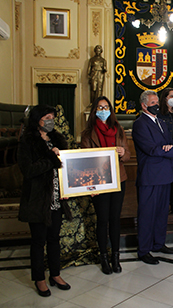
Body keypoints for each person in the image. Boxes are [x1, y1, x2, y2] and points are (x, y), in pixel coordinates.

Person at [18, 105, 72, 297]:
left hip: (57, 198)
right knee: (38, 241)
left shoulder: (58, 139)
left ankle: (55, 274)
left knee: (54, 239)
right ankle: (39, 278)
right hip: (38, 200)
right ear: (36, 120)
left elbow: (67, 166)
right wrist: (52, 158)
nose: (50, 120)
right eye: (46, 117)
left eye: (52, 117)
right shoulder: (27, 141)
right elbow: (29, 170)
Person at [133, 90, 173, 265]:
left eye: (157, 101)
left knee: (161, 213)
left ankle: (158, 244)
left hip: (165, 174)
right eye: (153, 103)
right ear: (144, 105)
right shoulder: (140, 124)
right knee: (147, 214)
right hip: (150, 177)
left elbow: (166, 144)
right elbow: (152, 149)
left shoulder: (161, 122)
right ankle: (144, 250)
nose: (157, 105)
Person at [81, 96, 130, 274]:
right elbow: (85, 162)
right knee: (102, 220)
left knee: (115, 219)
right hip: (98, 182)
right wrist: (90, 186)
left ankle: (116, 257)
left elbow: (128, 156)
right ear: (94, 111)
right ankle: (104, 257)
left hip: (118, 179)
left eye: (106, 107)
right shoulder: (87, 134)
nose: (103, 110)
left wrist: (123, 152)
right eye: (100, 107)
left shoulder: (118, 130)